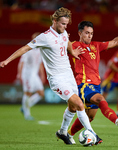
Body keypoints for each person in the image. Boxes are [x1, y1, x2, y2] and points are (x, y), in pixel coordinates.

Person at [0, 7, 102, 145]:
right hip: (57, 79)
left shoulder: (64, 33)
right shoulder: (44, 37)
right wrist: (7, 60)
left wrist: (73, 52)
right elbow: (25, 48)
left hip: (68, 75)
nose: (65, 27)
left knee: (72, 107)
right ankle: (92, 134)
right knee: (79, 104)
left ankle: (62, 132)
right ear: (54, 21)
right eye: (62, 24)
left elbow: (66, 42)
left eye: (66, 24)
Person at [67, 20, 118, 143]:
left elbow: (116, 41)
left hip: (96, 85)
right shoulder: (74, 45)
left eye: (91, 33)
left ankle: (68, 134)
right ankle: (117, 120)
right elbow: (60, 45)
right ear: (80, 33)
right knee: (100, 99)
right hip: (84, 84)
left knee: (90, 116)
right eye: (86, 33)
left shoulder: (96, 45)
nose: (89, 36)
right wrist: (63, 38)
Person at [17, 32, 46, 120]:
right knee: (28, 93)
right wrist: (19, 74)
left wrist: (42, 75)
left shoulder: (39, 50)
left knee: (41, 93)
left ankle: (25, 106)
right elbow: (21, 63)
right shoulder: (28, 49)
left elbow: (40, 63)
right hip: (27, 74)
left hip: (34, 75)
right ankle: (27, 114)